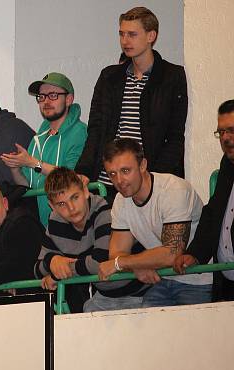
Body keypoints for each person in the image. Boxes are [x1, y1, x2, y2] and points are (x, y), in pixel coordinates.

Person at [75, 7, 188, 201]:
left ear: (151, 35)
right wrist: (83, 170)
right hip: (107, 182)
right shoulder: (109, 77)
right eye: (121, 34)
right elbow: (96, 129)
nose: (125, 41)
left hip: (149, 182)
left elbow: (174, 136)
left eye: (132, 34)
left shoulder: (171, 76)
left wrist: (154, 179)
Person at [97, 138, 210, 307]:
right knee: (149, 327)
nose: (119, 180)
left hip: (199, 278)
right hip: (161, 279)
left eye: (126, 170)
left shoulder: (173, 189)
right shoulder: (121, 200)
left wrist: (121, 264)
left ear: (143, 165)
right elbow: (117, 252)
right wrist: (135, 268)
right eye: (112, 174)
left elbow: (172, 253)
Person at [35, 168, 148, 313]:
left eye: (75, 197)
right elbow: (37, 270)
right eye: (61, 204)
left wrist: (60, 272)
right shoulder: (55, 221)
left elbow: (100, 263)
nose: (71, 208)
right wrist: (52, 260)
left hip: (142, 291)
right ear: (52, 206)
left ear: (85, 191)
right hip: (105, 296)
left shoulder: (106, 209)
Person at [1, 73, 88, 226]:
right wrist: (15, 168)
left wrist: (33, 163)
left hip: (70, 222)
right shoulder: (39, 137)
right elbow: (28, 185)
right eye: (41, 97)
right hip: (41, 224)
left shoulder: (80, 132)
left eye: (53, 95)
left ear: (68, 99)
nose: (46, 101)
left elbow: (72, 178)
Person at [175, 100, 234, 301]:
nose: (226, 138)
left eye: (232, 130)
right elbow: (214, 213)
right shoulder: (227, 164)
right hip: (225, 280)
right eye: (221, 132)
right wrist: (195, 253)